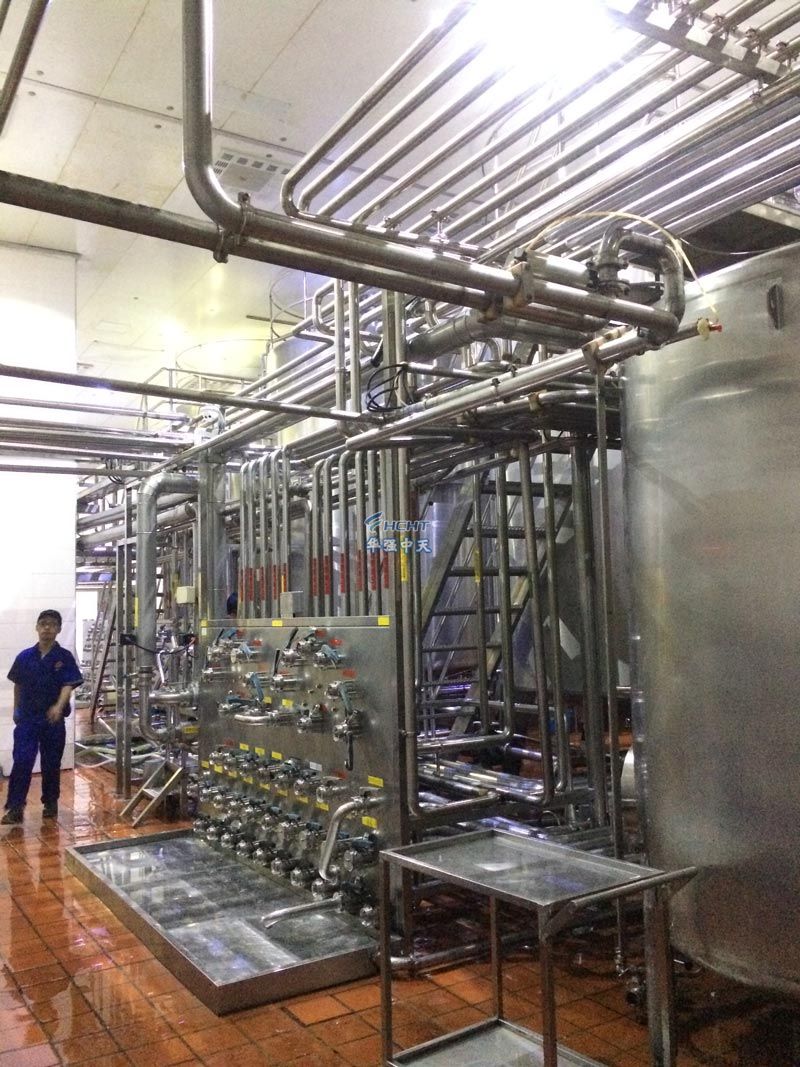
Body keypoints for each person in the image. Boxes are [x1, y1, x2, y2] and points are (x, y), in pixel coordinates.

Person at [2, 610, 83, 824]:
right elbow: (18, 684)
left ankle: (50, 802)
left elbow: (68, 685)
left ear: (59, 629)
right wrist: (17, 710)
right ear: (37, 627)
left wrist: (58, 706)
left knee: (51, 763)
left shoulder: (64, 657)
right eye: (43, 623)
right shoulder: (24, 657)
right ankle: (15, 808)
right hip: (28, 719)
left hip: (52, 721)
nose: (47, 628)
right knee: (22, 760)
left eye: (52, 624)